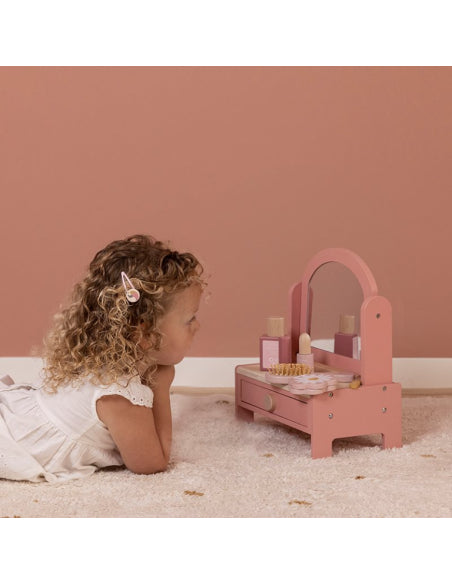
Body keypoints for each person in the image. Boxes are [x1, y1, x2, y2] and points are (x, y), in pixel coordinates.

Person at [0, 234, 205, 483]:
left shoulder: (101, 355)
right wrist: (161, 387)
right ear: (144, 333)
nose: (197, 326)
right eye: (189, 320)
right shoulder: (118, 394)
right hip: (14, 440)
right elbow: (151, 463)